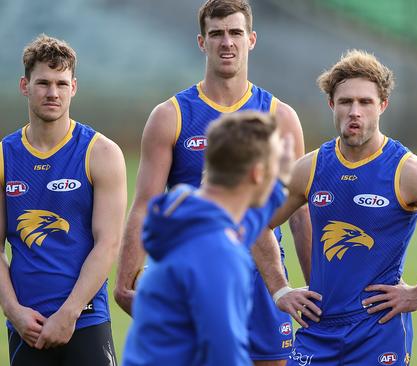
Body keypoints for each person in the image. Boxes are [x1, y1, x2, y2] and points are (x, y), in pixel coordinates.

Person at [250, 49, 417, 365]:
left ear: (382, 106)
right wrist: (280, 290)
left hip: (379, 334)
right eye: (346, 102)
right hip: (317, 331)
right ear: (331, 105)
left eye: (365, 102)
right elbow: (256, 222)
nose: (355, 111)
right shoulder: (311, 168)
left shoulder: (407, 172)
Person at [113, 1, 310, 364]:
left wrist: (316, 287)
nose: (227, 42)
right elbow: (144, 202)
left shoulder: (280, 117)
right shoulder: (170, 115)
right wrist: (125, 280)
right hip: (203, 270)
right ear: (202, 42)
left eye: (235, 33)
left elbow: (296, 210)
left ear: (251, 39)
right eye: (216, 33)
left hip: (264, 277)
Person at [123, 111, 293, 366]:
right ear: (257, 174)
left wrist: (278, 185)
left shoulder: (187, 219)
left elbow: (243, 226)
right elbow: (224, 354)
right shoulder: (219, 253)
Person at [0, 35, 126, 365]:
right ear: (24, 86)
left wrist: (68, 313)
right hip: (26, 325)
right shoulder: (3, 157)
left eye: (61, 83)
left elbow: (108, 243)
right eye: (43, 83)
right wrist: (14, 312)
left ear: (74, 87)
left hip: (85, 320)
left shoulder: (101, 153)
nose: (52, 93)